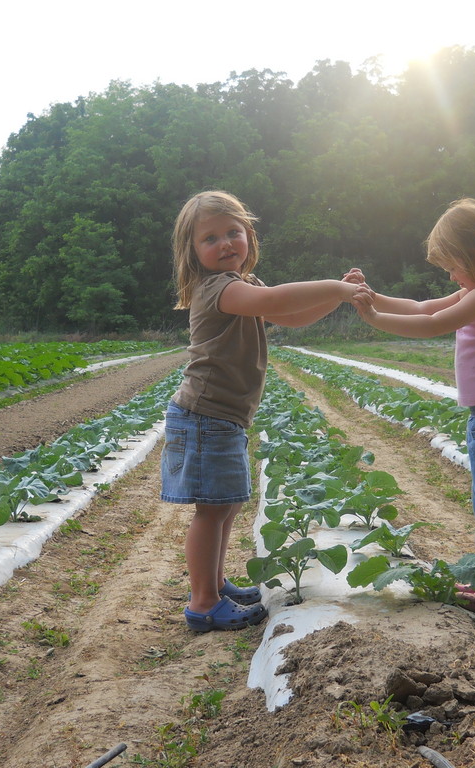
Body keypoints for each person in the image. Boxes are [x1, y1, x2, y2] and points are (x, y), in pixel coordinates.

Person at [162, 190, 361, 632]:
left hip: (223, 417)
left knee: (226, 505)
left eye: (234, 232)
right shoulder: (218, 288)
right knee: (210, 510)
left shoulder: (243, 285)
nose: (226, 243)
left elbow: (292, 317)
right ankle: (203, 603)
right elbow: (277, 302)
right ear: (193, 254)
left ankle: (215, 584)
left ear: (249, 235)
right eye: (210, 238)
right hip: (205, 416)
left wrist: (338, 298)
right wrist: (338, 287)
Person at [347, 198, 475, 620]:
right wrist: (374, 295)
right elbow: (422, 307)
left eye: (453, 266)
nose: (450, 276)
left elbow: (433, 325)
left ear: (474, 254)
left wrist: (374, 318)